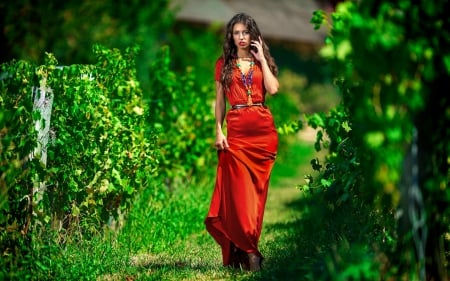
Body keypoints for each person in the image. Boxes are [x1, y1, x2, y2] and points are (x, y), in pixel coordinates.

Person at [204, 12, 279, 272]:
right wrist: (218, 130)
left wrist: (262, 60)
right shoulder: (223, 63)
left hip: (263, 134)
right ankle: (250, 252)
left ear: (253, 34)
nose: (241, 37)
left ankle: (249, 249)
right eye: (236, 33)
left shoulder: (262, 61)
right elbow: (220, 101)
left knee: (257, 198)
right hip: (236, 133)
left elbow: (273, 89)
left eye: (245, 32)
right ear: (231, 36)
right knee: (239, 196)